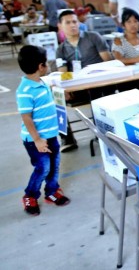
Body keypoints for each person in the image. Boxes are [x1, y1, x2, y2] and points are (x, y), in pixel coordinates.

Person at [16, 45, 71, 216]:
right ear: (41, 66)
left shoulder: (42, 82)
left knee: (54, 165)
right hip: (36, 140)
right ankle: (30, 195)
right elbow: (26, 117)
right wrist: (37, 140)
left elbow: (50, 97)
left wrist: (62, 94)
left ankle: (52, 191)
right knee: (43, 168)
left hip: (51, 135)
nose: (47, 66)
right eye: (46, 63)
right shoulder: (24, 91)